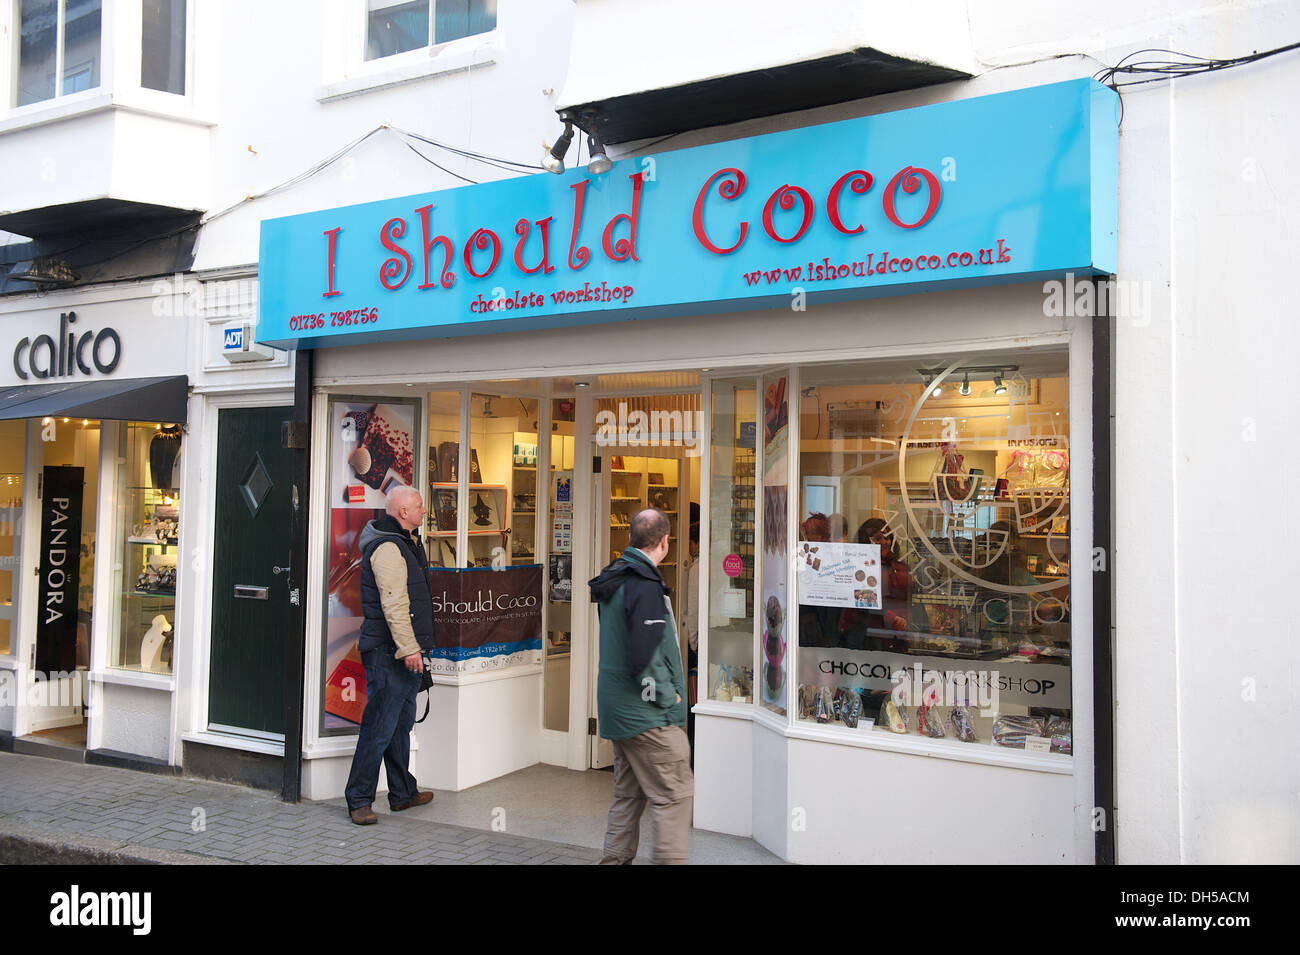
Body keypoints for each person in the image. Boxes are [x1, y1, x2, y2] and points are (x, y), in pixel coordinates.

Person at [588, 508, 692, 865]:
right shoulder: (644, 584)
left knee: (628, 796)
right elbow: (642, 655)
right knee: (675, 796)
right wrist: (668, 696)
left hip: (619, 710)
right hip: (647, 715)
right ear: (665, 542)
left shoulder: (616, 577)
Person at [344, 484, 437, 825]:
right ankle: (359, 799)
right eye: (419, 506)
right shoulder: (388, 547)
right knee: (379, 728)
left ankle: (402, 793)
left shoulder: (407, 542)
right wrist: (410, 648)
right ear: (402, 513)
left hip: (399, 651)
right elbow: (394, 603)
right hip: (389, 652)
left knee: (400, 725)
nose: (423, 511)